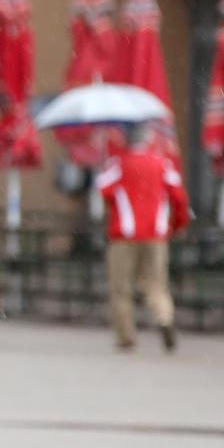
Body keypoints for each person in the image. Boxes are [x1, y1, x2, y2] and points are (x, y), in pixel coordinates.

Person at [95, 123, 190, 352]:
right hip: (156, 235)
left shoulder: (119, 164)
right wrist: (178, 224)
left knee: (121, 287)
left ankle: (126, 336)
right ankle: (164, 318)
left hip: (124, 235)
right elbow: (178, 197)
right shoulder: (162, 164)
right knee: (156, 284)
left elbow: (103, 191)